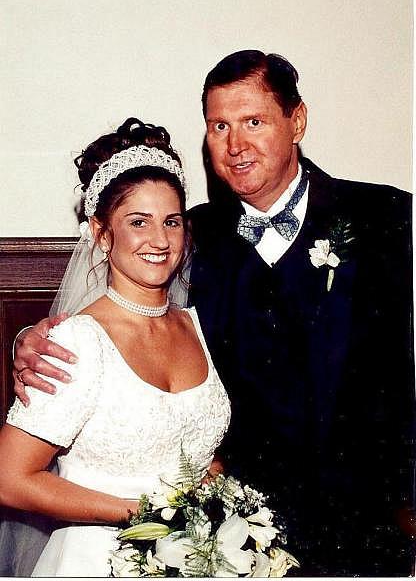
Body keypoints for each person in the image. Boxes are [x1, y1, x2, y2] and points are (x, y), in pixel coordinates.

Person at [11, 50, 415, 576]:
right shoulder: (190, 235)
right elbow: (129, 321)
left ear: (298, 121)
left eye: (253, 121)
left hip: (373, 534)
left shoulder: (388, 220)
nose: (235, 144)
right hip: (236, 542)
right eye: (219, 125)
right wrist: (30, 337)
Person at [0, 117, 230, 577]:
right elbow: (10, 479)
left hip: (200, 557)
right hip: (99, 560)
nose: (160, 240)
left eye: (172, 222)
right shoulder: (76, 341)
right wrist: (143, 516)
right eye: (138, 222)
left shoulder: (198, 323)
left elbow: (196, 444)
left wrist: (215, 493)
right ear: (102, 235)